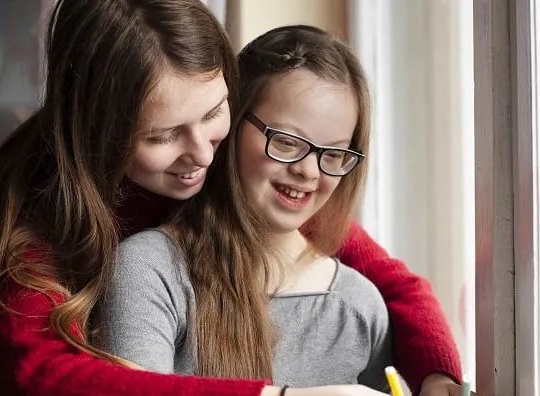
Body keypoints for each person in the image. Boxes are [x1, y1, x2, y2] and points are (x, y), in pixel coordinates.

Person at [0, 1, 462, 395]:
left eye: (213, 113)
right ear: (98, 132)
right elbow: (40, 375)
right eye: (162, 136)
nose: (204, 155)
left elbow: (397, 286)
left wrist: (438, 374)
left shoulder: (239, 169)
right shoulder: (39, 221)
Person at [98, 25, 392, 393]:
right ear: (231, 124)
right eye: (286, 142)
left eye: (333, 154)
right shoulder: (149, 270)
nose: (309, 171)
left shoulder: (362, 306)